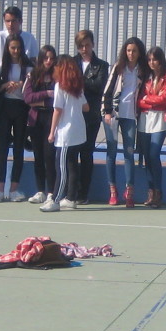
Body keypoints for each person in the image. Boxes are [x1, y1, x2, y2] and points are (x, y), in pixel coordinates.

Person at [0, 31, 33, 202]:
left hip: (21, 109)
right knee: (2, 149)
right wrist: (5, 85)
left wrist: (22, 84)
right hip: (5, 109)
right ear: (7, 48)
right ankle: (0, 190)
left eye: (18, 48)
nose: (15, 51)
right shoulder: (2, 67)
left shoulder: (29, 66)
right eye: (12, 48)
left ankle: (14, 189)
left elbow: (32, 85)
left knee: (18, 150)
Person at [102, 37, 144, 207]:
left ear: (139, 52)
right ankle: (113, 191)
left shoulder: (142, 70)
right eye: (128, 50)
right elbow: (107, 90)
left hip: (131, 116)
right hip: (113, 113)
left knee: (129, 152)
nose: (131, 54)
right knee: (111, 151)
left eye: (134, 50)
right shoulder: (118, 68)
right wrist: (106, 112)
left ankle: (129, 191)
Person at [46, 55, 88, 212]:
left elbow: (57, 110)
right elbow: (86, 107)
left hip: (66, 133)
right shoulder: (78, 87)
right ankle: (70, 198)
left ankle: (56, 199)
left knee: (61, 167)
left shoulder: (59, 86)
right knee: (72, 165)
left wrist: (52, 132)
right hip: (78, 131)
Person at [136, 45, 166, 208]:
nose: (152, 63)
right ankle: (150, 192)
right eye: (149, 59)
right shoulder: (145, 77)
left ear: (161, 60)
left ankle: (158, 191)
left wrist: (147, 100)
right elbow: (137, 100)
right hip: (145, 120)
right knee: (146, 156)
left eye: (155, 59)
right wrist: (148, 100)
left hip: (160, 119)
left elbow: (165, 99)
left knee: (153, 154)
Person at [75, 29, 108, 204]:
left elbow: (99, 85)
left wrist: (78, 82)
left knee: (86, 153)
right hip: (72, 115)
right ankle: (70, 191)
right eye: (81, 45)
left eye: (87, 44)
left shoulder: (101, 65)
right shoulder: (71, 62)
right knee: (71, 154)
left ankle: (83, 193)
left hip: (91, 115)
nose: (84, 48)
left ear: (93, 44)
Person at [24, 45, 57, 206]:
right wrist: (45, 95)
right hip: (35, 119)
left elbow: (58, 99)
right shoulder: (33, 75)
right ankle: (40, 191)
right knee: (38, 156)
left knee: (49, 156)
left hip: (51, 119)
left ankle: (51, 193)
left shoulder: (57, 76)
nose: (48, 61)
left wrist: (44, 100)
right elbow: (28, 98)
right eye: (46, 58)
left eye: (51, 58)